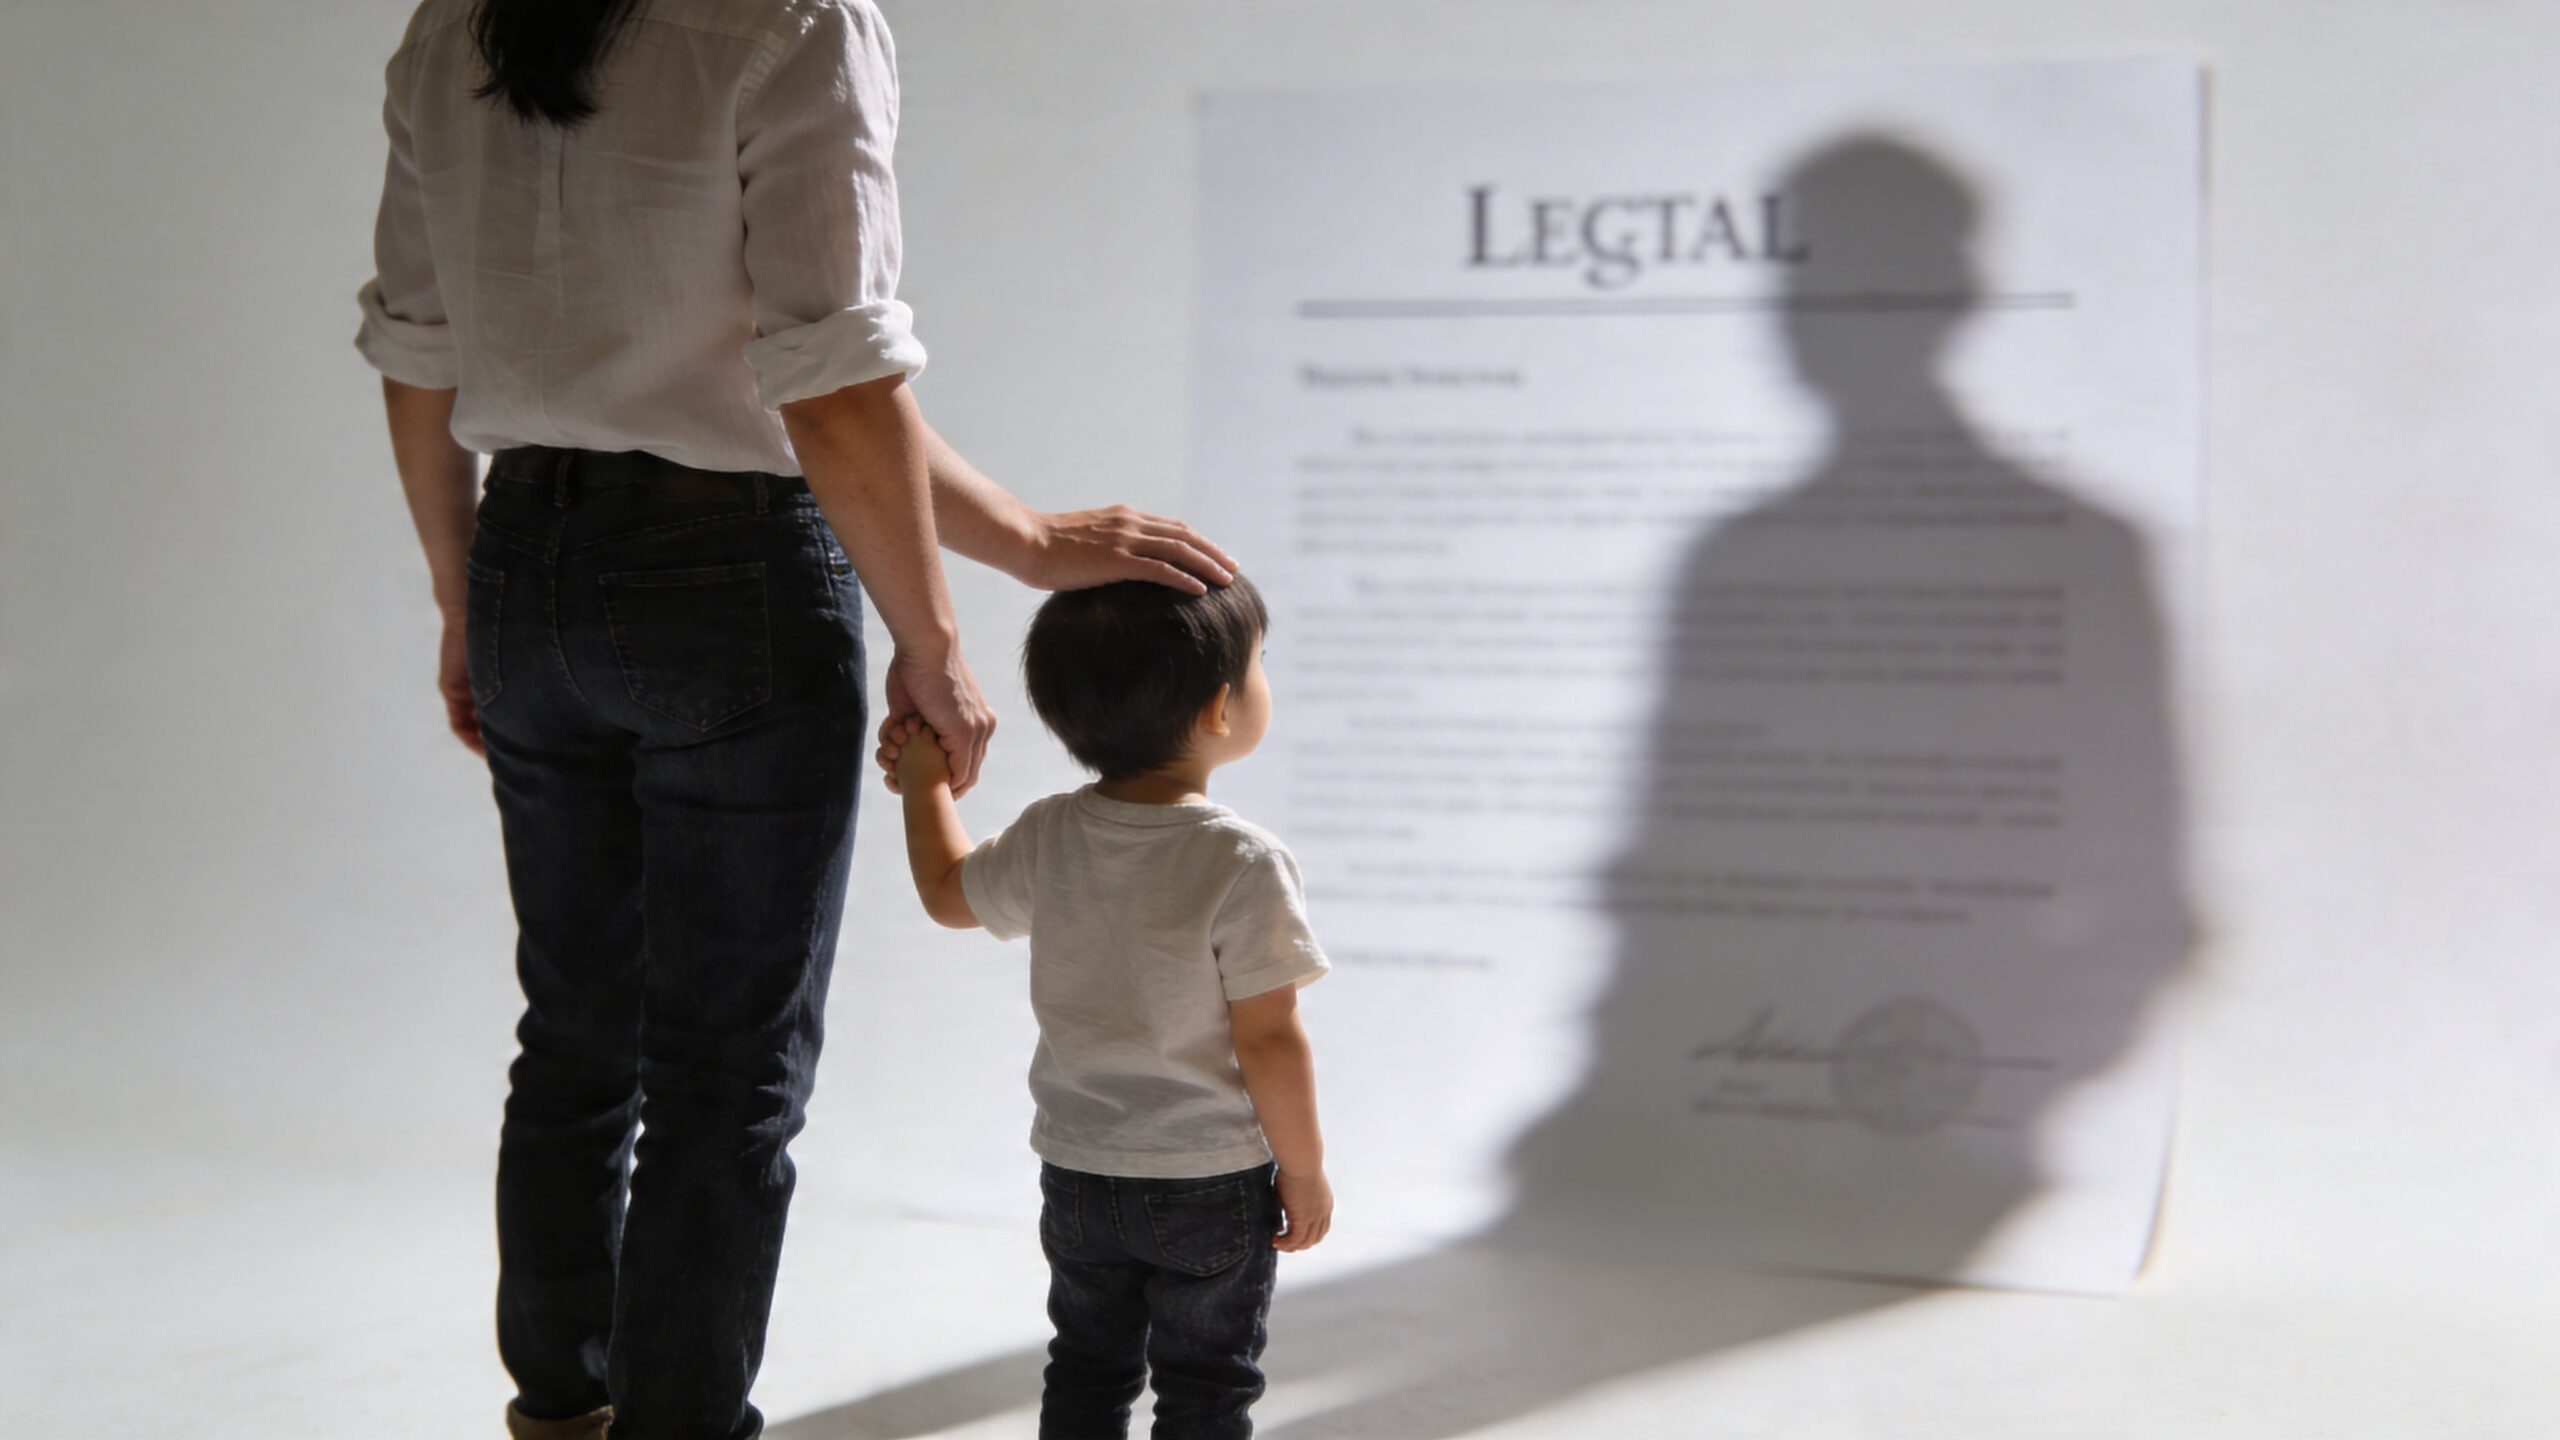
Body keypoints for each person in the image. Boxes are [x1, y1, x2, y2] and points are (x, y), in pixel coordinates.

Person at [351, 2, 1235, 1437]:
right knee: (725, 1063)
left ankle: (560, 1412)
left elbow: (416, 345)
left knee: (576, 1034)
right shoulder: (794, 19)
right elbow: (824, 376)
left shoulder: (458, 18)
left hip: (526, 562)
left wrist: (462, 601)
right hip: (729, 579)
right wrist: (933, 642)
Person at [883, 576, 1333, 1440]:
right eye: (1258, 664)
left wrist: (923, 782)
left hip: (1079, 1174)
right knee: (1206, 1384)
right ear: (1217, 710)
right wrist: (1304, 1173)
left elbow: (948, 894)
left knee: (1088, 1368)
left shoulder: (1052, 833)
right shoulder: (1242, 861)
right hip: (1206, 1179)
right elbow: (1271, 1042)